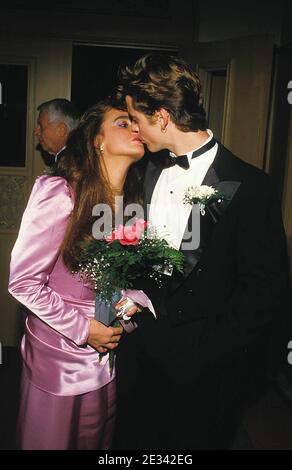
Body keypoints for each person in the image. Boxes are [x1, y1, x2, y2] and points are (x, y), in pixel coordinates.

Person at [113, 54, 290, 450]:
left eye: (136, 119)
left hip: (203, 376)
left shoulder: (251, 187)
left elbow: (263, 292)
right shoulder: (144, 172)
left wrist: (206, 354)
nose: (135, 131)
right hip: (138, 361)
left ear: (160, 116)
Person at [8, 98, 144, 450]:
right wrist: (85, 330)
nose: (135, 128)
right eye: (121, 123)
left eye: (136, 122)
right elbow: (23, 282)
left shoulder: (131, 203)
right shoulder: (60, 192)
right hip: (61, 357)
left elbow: (115, 281)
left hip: (107, 356)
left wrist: (128, 307)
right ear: (97, 140)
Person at [34, 98, 79, 163]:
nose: (36, 132)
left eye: (41, 126)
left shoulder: (72, 167)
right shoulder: (76, 158)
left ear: (61, 130)